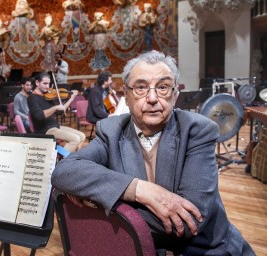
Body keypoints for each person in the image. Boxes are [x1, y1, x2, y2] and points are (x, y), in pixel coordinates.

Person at [51, 50, 255, 255]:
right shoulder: (111, 130)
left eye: (163, 87)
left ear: (175, 96)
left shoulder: (198, 130)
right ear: (127, 95)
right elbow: (65, 171)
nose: (152, 98)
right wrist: (140, 190)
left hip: (205, 248)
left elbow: (189, 221)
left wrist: (101, 199)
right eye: (140, 87)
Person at [27, 72, 85, 153]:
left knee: (82, 136)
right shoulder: (32, 98)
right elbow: (39, 116)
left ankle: (72, 157)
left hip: (55, 126)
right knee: (75, 139)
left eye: (49, 84)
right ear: (37, 83)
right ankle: (62, 162)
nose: (47, 87)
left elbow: (60, 111)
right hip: (45, 130)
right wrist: (55, 107)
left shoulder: (48, 96)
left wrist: (71, 98)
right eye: (45, 83)